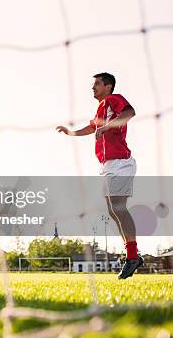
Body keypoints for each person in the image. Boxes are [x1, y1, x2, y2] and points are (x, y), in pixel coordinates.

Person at [56, 72, 141, 279]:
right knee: (113, 211)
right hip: (108, 166)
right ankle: (132, 255)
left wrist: (106, 127)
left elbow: (129, 113)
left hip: (121, 163)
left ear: (108, 86)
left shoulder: (113, 99)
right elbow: (91, 127)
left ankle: (132, 257)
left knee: (118, 208)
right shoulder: (101, 109)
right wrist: (71, 133)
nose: (93, 88)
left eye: (97, 84)